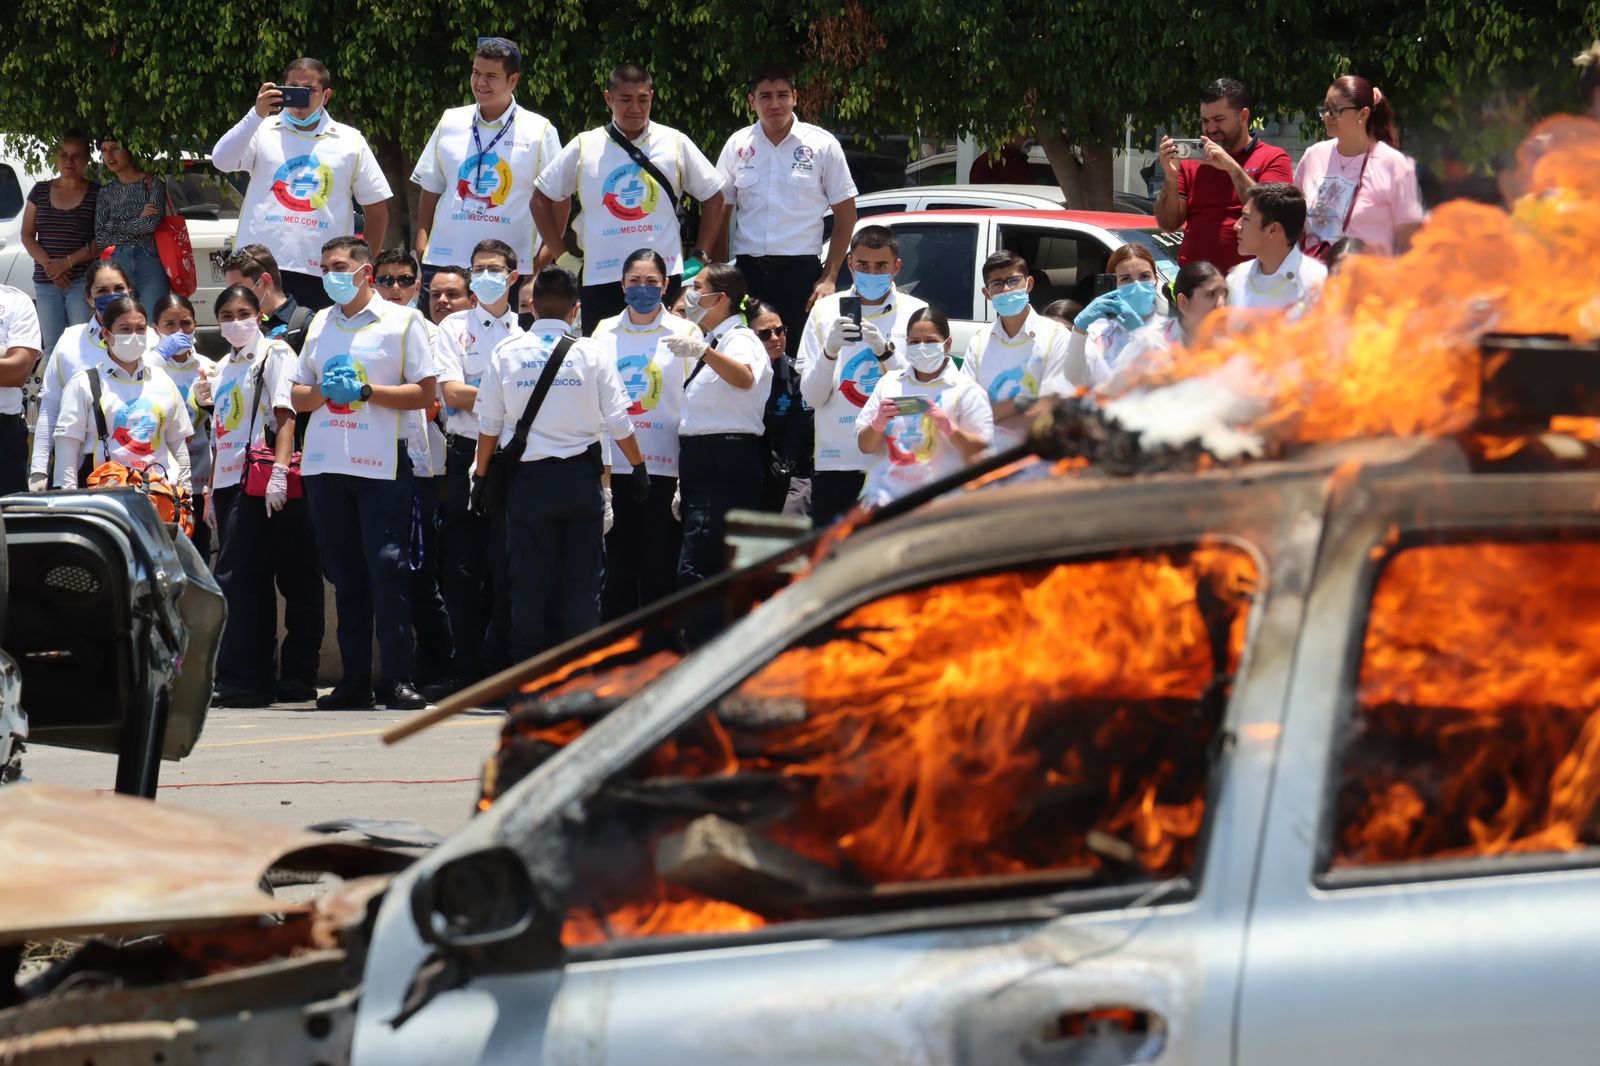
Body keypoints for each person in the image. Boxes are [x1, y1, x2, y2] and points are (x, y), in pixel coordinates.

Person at [288, 236, 438, 711]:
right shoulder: (319, 323)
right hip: (326, 464)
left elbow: (425, 393)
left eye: (338, 266)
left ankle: (395, 677)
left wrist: (368, 391)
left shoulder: (403, 322)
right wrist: (322, 394)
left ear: (364, 273)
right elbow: (298, 393)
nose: (329, 274)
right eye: (324, 266)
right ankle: (353, 680)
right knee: (346, 576)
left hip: (380, 464)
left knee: (386, 570)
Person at [472, 265, 650, 661]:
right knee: (582, 586)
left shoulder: (507, 352)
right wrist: (637, 468)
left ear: (531, 307)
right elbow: (619, 421)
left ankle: (528, 683)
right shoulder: (591, 353)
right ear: (576, 309)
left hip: (527, 484)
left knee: (528, 583)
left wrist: (481, 477)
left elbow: (489, 424)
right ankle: (576, 679)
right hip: (579, 482)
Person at [533, 63, 728, 335]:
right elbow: (540, 198)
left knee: (667, 354)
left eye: (643, 99)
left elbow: (715, 197)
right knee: (601, 358)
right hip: (601, 275)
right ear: (608, 98)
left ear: (652, 97)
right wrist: (562, 255)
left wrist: (700, 255)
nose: (635, 108)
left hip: (662, 276)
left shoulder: (674, 141)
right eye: (625, 100)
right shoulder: (585, 145)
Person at [211, 58, 392, 311]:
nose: (300, 97)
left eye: (309, 90)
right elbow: (221, 160)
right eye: (292, 88)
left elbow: (377, 211)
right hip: (258, 270)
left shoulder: (351, 141)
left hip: (321, 272)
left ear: (326, 95)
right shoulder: (262, 130)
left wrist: (362, 267)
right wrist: (256, 114)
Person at [715, 63, 857, 359]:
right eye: (765, 96)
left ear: (795, 96)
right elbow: (721, 211)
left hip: (801, 277)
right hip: (747, 274)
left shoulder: (822, 145)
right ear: (752, 102)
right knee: (745, 359)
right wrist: (717, 274)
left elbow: (846, 215)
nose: (775, 104)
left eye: (782, 95)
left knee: (798, 361)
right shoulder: (737, 145)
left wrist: (829, 277)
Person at [433, 239, 527, 687]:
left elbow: (520, 406)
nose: (484, 275)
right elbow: (451, 393)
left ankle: (500, 666)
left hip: (511, 459)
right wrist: (507, 396)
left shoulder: (527, 335)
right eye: (477, 268)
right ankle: (464, 667)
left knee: (506, 565)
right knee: (462, 566)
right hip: (463, 452)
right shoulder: (453, 327)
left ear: (512, 276)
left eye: (493, 268)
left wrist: (486, 397)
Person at [206, 284, 303, 706]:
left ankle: (240, 677)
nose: (235, 322)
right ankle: (254, 678)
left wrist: (281, 470)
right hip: (227, 480)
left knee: (237, 579)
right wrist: (211, 488)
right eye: (226, 315)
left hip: (258, 479)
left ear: (259, 314)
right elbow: (221, 431)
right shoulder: (223, 366)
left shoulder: (275, 354)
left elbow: (285, 414)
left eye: (243, 312)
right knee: (247, 581)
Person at [412, 37, 561, 299]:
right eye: (476, 72)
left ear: (513, 80)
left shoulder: (539, 130)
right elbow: (431, 187)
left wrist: (544, 256)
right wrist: (422, 243)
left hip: (506, 269)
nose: (480, 83)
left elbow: (558, 199)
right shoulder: (451, 120)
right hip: (445, 261)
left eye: (491, 76)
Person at [592, 248, 696, 620]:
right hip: (616, 469)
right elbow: (598, 403)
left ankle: (659, 656)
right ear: (621, 285)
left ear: (666, 285)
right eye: (634, 281)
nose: (643, 288)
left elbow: (692, 402)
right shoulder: (604, 330)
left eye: (652, 282)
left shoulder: (686, 332)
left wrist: (686, 477)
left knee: (659, 572)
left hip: (666, 469)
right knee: (615, 575)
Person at [797, 226, 926, 527]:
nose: (872, 272)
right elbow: (812, 397)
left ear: (897, 267)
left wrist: (887, 353)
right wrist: (829, 351)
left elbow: (921, 396)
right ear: (850, 263)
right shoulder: (824, 311)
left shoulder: (917, 312)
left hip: (897, 460)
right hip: (836, 460)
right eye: (863, 264)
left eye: (881, 266)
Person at [668, 262, 772, 613]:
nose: (691, 294)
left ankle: (706, 649)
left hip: (725, 459)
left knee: (698, 568)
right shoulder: (715, 339)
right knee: (706, 563)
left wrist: (704, 353)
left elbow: (744, 378)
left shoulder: (740, 338)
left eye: (698, 287)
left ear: (720, 298)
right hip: (703, 461)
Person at [373, 249, 453, 689]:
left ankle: (439, 662)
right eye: (386, 281)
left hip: (421, 464)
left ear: (417, 286)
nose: (396, 289)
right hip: (372, 462)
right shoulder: (364, 327)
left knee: (422, 571)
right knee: (389, 569)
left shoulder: (428, 332)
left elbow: (434, 395)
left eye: (404, 280)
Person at [30, 260, 159, 491]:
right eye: (102, 291)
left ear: (129, 290)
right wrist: (39, 468)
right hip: (88, 469)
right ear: (89, 298)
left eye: (119, 289)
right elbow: (51, 406)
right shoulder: (70, 341)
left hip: (147, 468)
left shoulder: (148, 337)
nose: (112, 296)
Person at [52, 295, 191, 492]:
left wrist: (187, 495)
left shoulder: (162, 380)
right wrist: (70, 501)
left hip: (160, 497)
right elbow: (67, 448)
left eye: (140, 329)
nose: (134, 335)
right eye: (125, 329)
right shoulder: (84, 384)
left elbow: (179, 444)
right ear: (107, 334)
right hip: (105, 499)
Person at [857, 306, 992, 507]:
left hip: (941, 504)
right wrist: (877, 424)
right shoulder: (890, 383)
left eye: (930, 341)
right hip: (885, 500)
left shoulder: (966, 390)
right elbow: (865, 446)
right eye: (914, 342)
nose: (921, 347)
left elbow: (983, 452)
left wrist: (950, 428)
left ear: (947, 344)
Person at [1156, 79, 1294, 272]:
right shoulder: (1191, 162)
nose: (1211, 129)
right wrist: (1170, 177)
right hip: (1195, 287)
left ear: (1243, 116)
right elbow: (1168, 224)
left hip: (1251, 286)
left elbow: (1274, 215)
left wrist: (1232, 167)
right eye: (1205, 121)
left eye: (1219, 120)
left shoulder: (1273, 158)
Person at [1296, 76, 1425, 257]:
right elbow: (1294, 221)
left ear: (1363, 114)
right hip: (1313, 279)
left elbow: (1410, 241)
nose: (1327, 116)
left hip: (1367, 279)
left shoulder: (1394, 165)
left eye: (1335, 110)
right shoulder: (1313, 155)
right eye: (1325, 109)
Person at [960, 251, 1072, 449]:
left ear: (1029, 284)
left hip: (1038, 459)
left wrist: (992, 416)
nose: (1006, 289)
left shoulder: (1057, 337)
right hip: (988, 460)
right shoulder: (979, 341)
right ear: (987, 294)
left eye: (1013, 281)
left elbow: (1050, 410)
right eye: (997, 284)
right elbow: (965, 409)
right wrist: (1020, 405)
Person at [149, 294, 217, 557]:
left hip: (198, 474)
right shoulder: (148, 365)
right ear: (155, 329)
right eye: (169, 325)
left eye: (185, 323)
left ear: (195, 325)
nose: (179, 331)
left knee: (197, 550)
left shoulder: (208, 367)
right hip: (160, 476)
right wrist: (160, 356)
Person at [22, 131, 99, 355]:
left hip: (81, 283)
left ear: (86, 160)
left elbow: (102, 239)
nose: (69, 161)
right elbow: (27, 235)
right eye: (64, 154)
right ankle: (55, 391)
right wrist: (51, 267)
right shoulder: (40, 190)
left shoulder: (97, 193)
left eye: (76, 156)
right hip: (47, 284)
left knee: (84, 346)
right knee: (52, 349)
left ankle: (84, 390)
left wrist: (66, 264)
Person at [1059, 245, 1170, 388]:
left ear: (1155, 280)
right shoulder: (1098, 331)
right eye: (1126, 279)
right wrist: (1079, 329)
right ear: (1113, 284)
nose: (1137, 285)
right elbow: (1075, 379)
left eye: (1144, 276)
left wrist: (1141, 334)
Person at [1111, 261, 1229, 385]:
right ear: (1183, 302)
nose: (1222, 307)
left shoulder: (1231, 345)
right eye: (1210, 295)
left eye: (1224, 295)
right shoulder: (1150, 346)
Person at [93, 136, 169, 308]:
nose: (109, 155)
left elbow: (151, 224)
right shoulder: (106, 192)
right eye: (104, 150)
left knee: (155, 321)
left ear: (129, 150)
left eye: (115, 148)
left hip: (150, 260)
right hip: (118, 262)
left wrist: (114, 225)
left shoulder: (153, 184)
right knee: (121, 321)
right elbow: (101, 237)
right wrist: (138, 219)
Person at [1227, 182, 1327, 312]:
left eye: (1246, 219)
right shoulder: (1236, 278)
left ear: (1272, 229)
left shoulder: (1318, 281)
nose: (1236, 226)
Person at [749, 299, 809, 514]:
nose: (775, 338)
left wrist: (784, 466)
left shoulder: (798, 374)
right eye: (765, 334)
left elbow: (799, 429)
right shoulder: (739, 373)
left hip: (787, 469)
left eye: (780, 331)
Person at [222, 244, 315, 353]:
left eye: (238, 288)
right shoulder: (243, 324)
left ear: (265, 281)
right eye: (230, 291)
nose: (233, 297)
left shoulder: (305, 324)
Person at [0, 284, 41, 495]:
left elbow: (18, 371)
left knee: (7, 524)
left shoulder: (14, 302)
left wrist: (10, 365)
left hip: (3, 434)